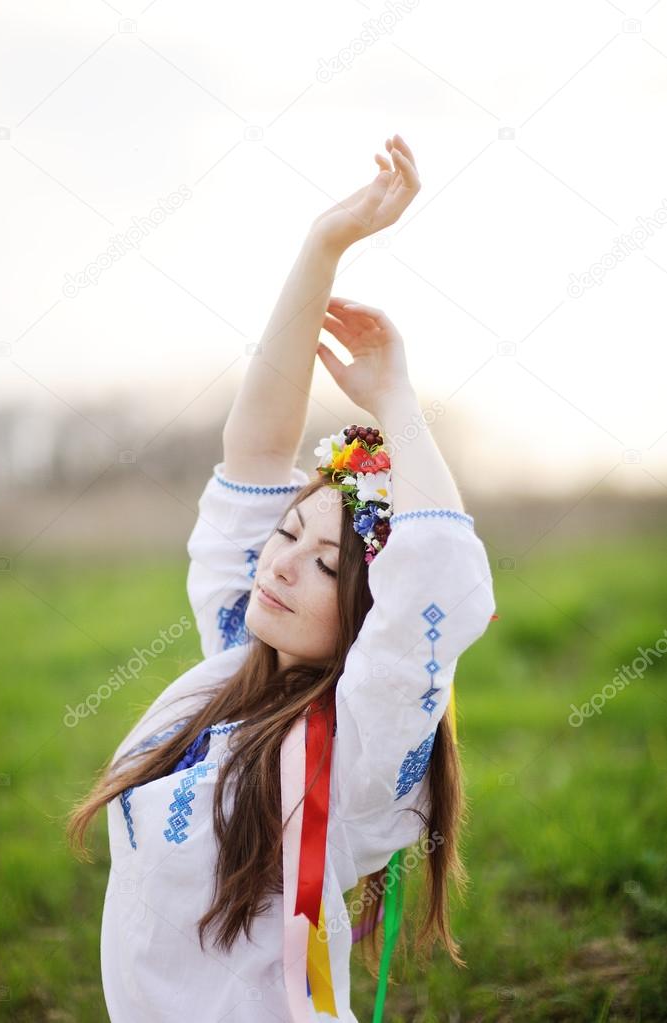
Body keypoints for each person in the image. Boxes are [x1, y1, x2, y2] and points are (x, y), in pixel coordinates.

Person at [67, 134, 496, 1022]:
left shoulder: (363, 749)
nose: (282, 562)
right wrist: (323, 243)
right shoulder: (236, 658)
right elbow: (255, 454)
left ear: (368, 621)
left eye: (329, 564)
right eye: (287, 535)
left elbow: (436, 577)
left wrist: (397, 402)